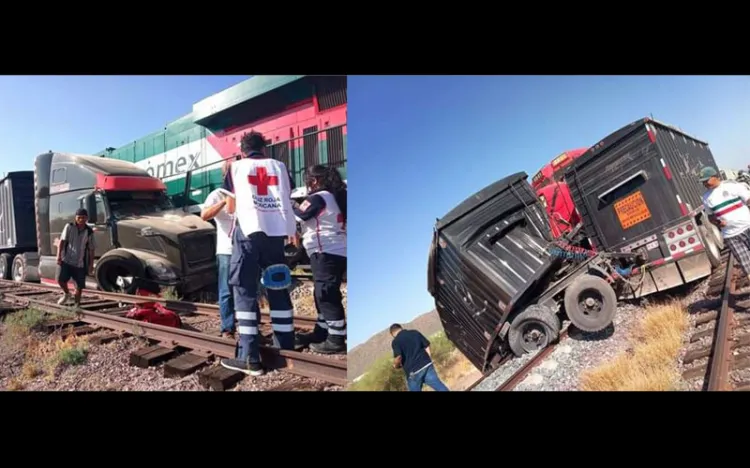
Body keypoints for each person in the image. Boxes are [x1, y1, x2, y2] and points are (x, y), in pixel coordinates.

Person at [219, 131, 297, 376]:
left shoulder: (236, 168)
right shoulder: (280, 166)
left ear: (242, 149)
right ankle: (285, 346)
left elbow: (231, 204)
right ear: (265, 148)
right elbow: (289, 192)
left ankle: (249, 357)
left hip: (249, 233)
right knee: (278, 286)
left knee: (243, 289)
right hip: (276, 235)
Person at [292, 165, 347, 354]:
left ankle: (336, 339)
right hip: (333, 251)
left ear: (314, 181)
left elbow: (301, 213)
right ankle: (323, 330)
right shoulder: (332, 197)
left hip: (325, 251)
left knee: (326, 294)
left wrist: (288, 203)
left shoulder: (318, 197)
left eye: (307, 180)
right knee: (321, 293)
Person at [201, 161, 236, 339]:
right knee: (226, 291)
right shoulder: (217, 194)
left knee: (249, 289)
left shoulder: (247, 191)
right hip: (227, 250)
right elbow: (204, 215)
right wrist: (224, 201)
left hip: (247, 249)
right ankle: (228, 328)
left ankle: (249, 326)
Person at [700, 166, 750, 280]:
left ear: (715, 177)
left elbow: (748, 199)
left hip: (747, 226)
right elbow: (710, 216)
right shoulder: (706, 198)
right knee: (747, 268)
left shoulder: (732, 187)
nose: (705, 183)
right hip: (731, 235)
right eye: (703, 182)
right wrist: (717, 222)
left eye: (706, 180)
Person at [390, 324, 449, 392]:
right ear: (401, 328)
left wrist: (395, 365)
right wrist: (428, 358)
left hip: (413, 372)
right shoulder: (415, 332)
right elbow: (427, 345)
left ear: (392, 333)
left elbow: (398, 357)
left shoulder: (396, 341)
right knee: (438, 385)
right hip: (427, 364)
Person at [56, 208, 96, 307]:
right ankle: (66, 293)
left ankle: (77, 305)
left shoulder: (89, 231)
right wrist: (58, 256)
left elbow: (91, 249)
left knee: (79, 286)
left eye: (83, 218)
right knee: (60, 280)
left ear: (86, 218)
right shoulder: (69, 227)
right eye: (79, 218)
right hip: (66, 260)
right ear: (76, 218)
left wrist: (91, 265)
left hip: (79, 263)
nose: (81, 220)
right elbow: (62, 241)